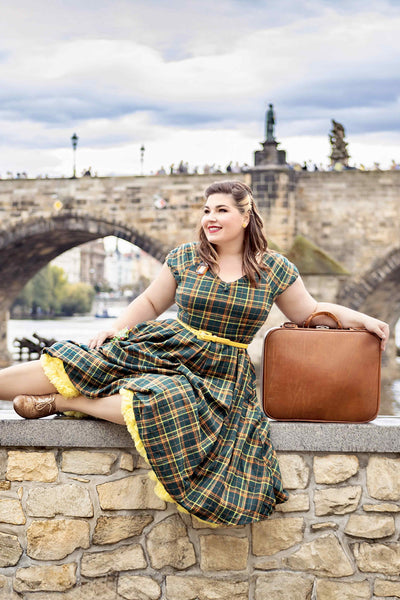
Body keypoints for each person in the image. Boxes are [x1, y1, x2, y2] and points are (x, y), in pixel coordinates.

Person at [0, 181, 389, 526]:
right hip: (168, 345)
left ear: (245, 215)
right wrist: (113, 328)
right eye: (206, 211)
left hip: (219, 375)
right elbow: (151, 302)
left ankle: (66, 402)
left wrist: (364, 319)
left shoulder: (273, 269)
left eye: (221, 210)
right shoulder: (186, 257)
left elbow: (309, 312)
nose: (210, 218)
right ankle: (58, 393)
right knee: (77, 362)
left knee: (160, 399)